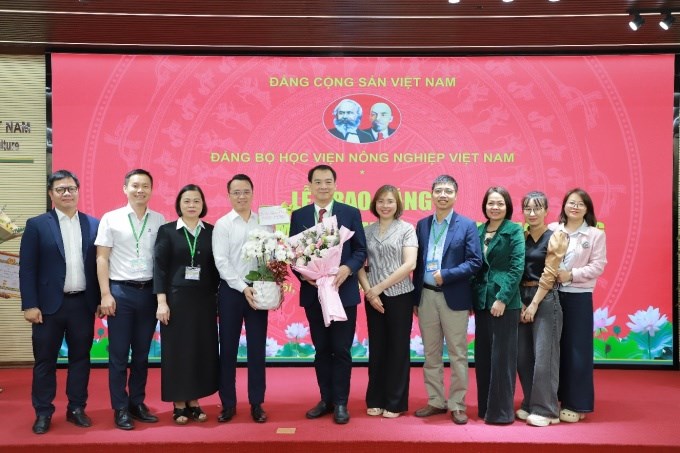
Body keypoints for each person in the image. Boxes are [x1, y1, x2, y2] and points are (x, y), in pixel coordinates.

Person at [19, 170, 100, 435]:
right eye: (60, 189)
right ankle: (43, 412)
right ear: (51, 194)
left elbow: (100, 266)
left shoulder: (93, 224)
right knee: (45, 362)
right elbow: (27, 268)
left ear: (78, 191)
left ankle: (76, 408)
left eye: (71, 188)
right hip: (47, 307)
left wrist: (101, 299)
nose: (67, 193)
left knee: (81, 360)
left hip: (82, 304)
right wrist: (29, 304)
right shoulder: (37, 225)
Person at [290, 164, 367, 424]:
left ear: (335, 184)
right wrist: (305, 275)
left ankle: (341, 403)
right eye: (318, 182)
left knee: (341, 349)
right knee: (322, 349)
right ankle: (326, 400)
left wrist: (347, 268)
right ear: (310, 186)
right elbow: (292, 255)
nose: (323, 186)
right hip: (314, 294)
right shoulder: (299, 215)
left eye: (328, 182)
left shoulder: (350, 212)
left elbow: (361, 250)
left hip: (342, 292)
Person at [96, 169, 166, 430]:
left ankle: (137, 402)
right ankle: (120, 408)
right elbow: (102, 258)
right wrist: (105, 294)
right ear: (125, 188)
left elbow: (162, 261)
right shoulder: (111, 218)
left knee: (141, 355)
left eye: (145, 186)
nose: (140, 190)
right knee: (118, 355)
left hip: (148, 293)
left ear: (151, 190)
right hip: (120, 293)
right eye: (135, 185)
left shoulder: (159, 220)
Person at [412, 175, 482, 425]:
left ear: (456, 195)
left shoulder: (467, 225)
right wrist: (416, 297)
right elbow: (417, 263)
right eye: (439, 190)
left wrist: (447, 274)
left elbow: (475, 262)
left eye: (448, 191)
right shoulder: (422, 225)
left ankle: (457, 404)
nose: (443, 195)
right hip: (426, 296)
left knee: (458, 354)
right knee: (430, 353)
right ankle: (435, 400)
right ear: (431, 194)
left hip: (454, 297)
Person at [153, 184, 219, 425]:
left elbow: (217, 267)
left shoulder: (212, 231)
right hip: (176, 300)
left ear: (203, 205)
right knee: (177, 351)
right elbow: (159, 268)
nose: (192, 205)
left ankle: (194, 401)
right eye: (187, 201)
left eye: (196, 201)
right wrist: (161, 301)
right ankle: (179, 403)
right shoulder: (167, 231)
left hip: (204, 301)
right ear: (179, 204)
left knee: (200, 349)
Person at [213, 174, 272, 424]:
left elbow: (272, 257)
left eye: (246, 191)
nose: (241, 196)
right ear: (229, 195)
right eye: (236, 192)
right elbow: (221, 262)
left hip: (258, 291)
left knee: (257, 350)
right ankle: (228, 403)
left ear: (253, 193)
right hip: (231, 292)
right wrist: (241, 287)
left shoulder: (264, 223)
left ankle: (257, 403)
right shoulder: (223, 225)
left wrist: (273, 282)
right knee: (228, 349)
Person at [357, 185, 417, 419]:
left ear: (397, 204)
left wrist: (379, 288)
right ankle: (375, 399)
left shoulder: (406, 229)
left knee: (398, 349)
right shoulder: (366, 230)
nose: (385, 205)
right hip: (372, 297)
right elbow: (359, 263)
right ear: (375, 204)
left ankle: (395, 402)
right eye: (381, 201)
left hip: (400, 295)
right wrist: (369, 292)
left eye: (390, 201)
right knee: (378, 348)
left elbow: (409, 264)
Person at [550, 188, 606, 423]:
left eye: (580, 204)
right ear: (564, 205)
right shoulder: (553, 229)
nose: (575, 207)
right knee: (553, 350)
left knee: (577, 350)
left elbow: (598, 266)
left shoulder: (594, 234)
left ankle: (577, 403)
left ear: (587, 209)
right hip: (552, 295)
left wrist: (571, 275)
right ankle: (553, 399)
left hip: (578, 297)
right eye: (571, 203)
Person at [472, 186, 524, 425]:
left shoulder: (514, 230)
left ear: (507, 206)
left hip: (505, 302)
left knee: (502, 358)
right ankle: (485, 408)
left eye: (500, 203)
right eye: (491, 203)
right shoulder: (478, 230)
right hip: (482, 301)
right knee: (483, 357)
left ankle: (502, 412)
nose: (495, 207)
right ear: (485, 206)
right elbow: (475, 266)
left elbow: (517, 267)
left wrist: (503, 298)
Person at [516, 191, 568, 427]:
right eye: (528, 208)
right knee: (523, 356)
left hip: (545, 298)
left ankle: (547, 410)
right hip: (521, 297)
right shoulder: (520, 236)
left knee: (544, 357)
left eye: (537, 208)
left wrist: (534, 303)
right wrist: (520, 302)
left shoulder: (556, 237)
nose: (532, 213)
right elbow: (515, 270)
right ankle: (530, 402)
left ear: (546, 211)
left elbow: (549, 273)